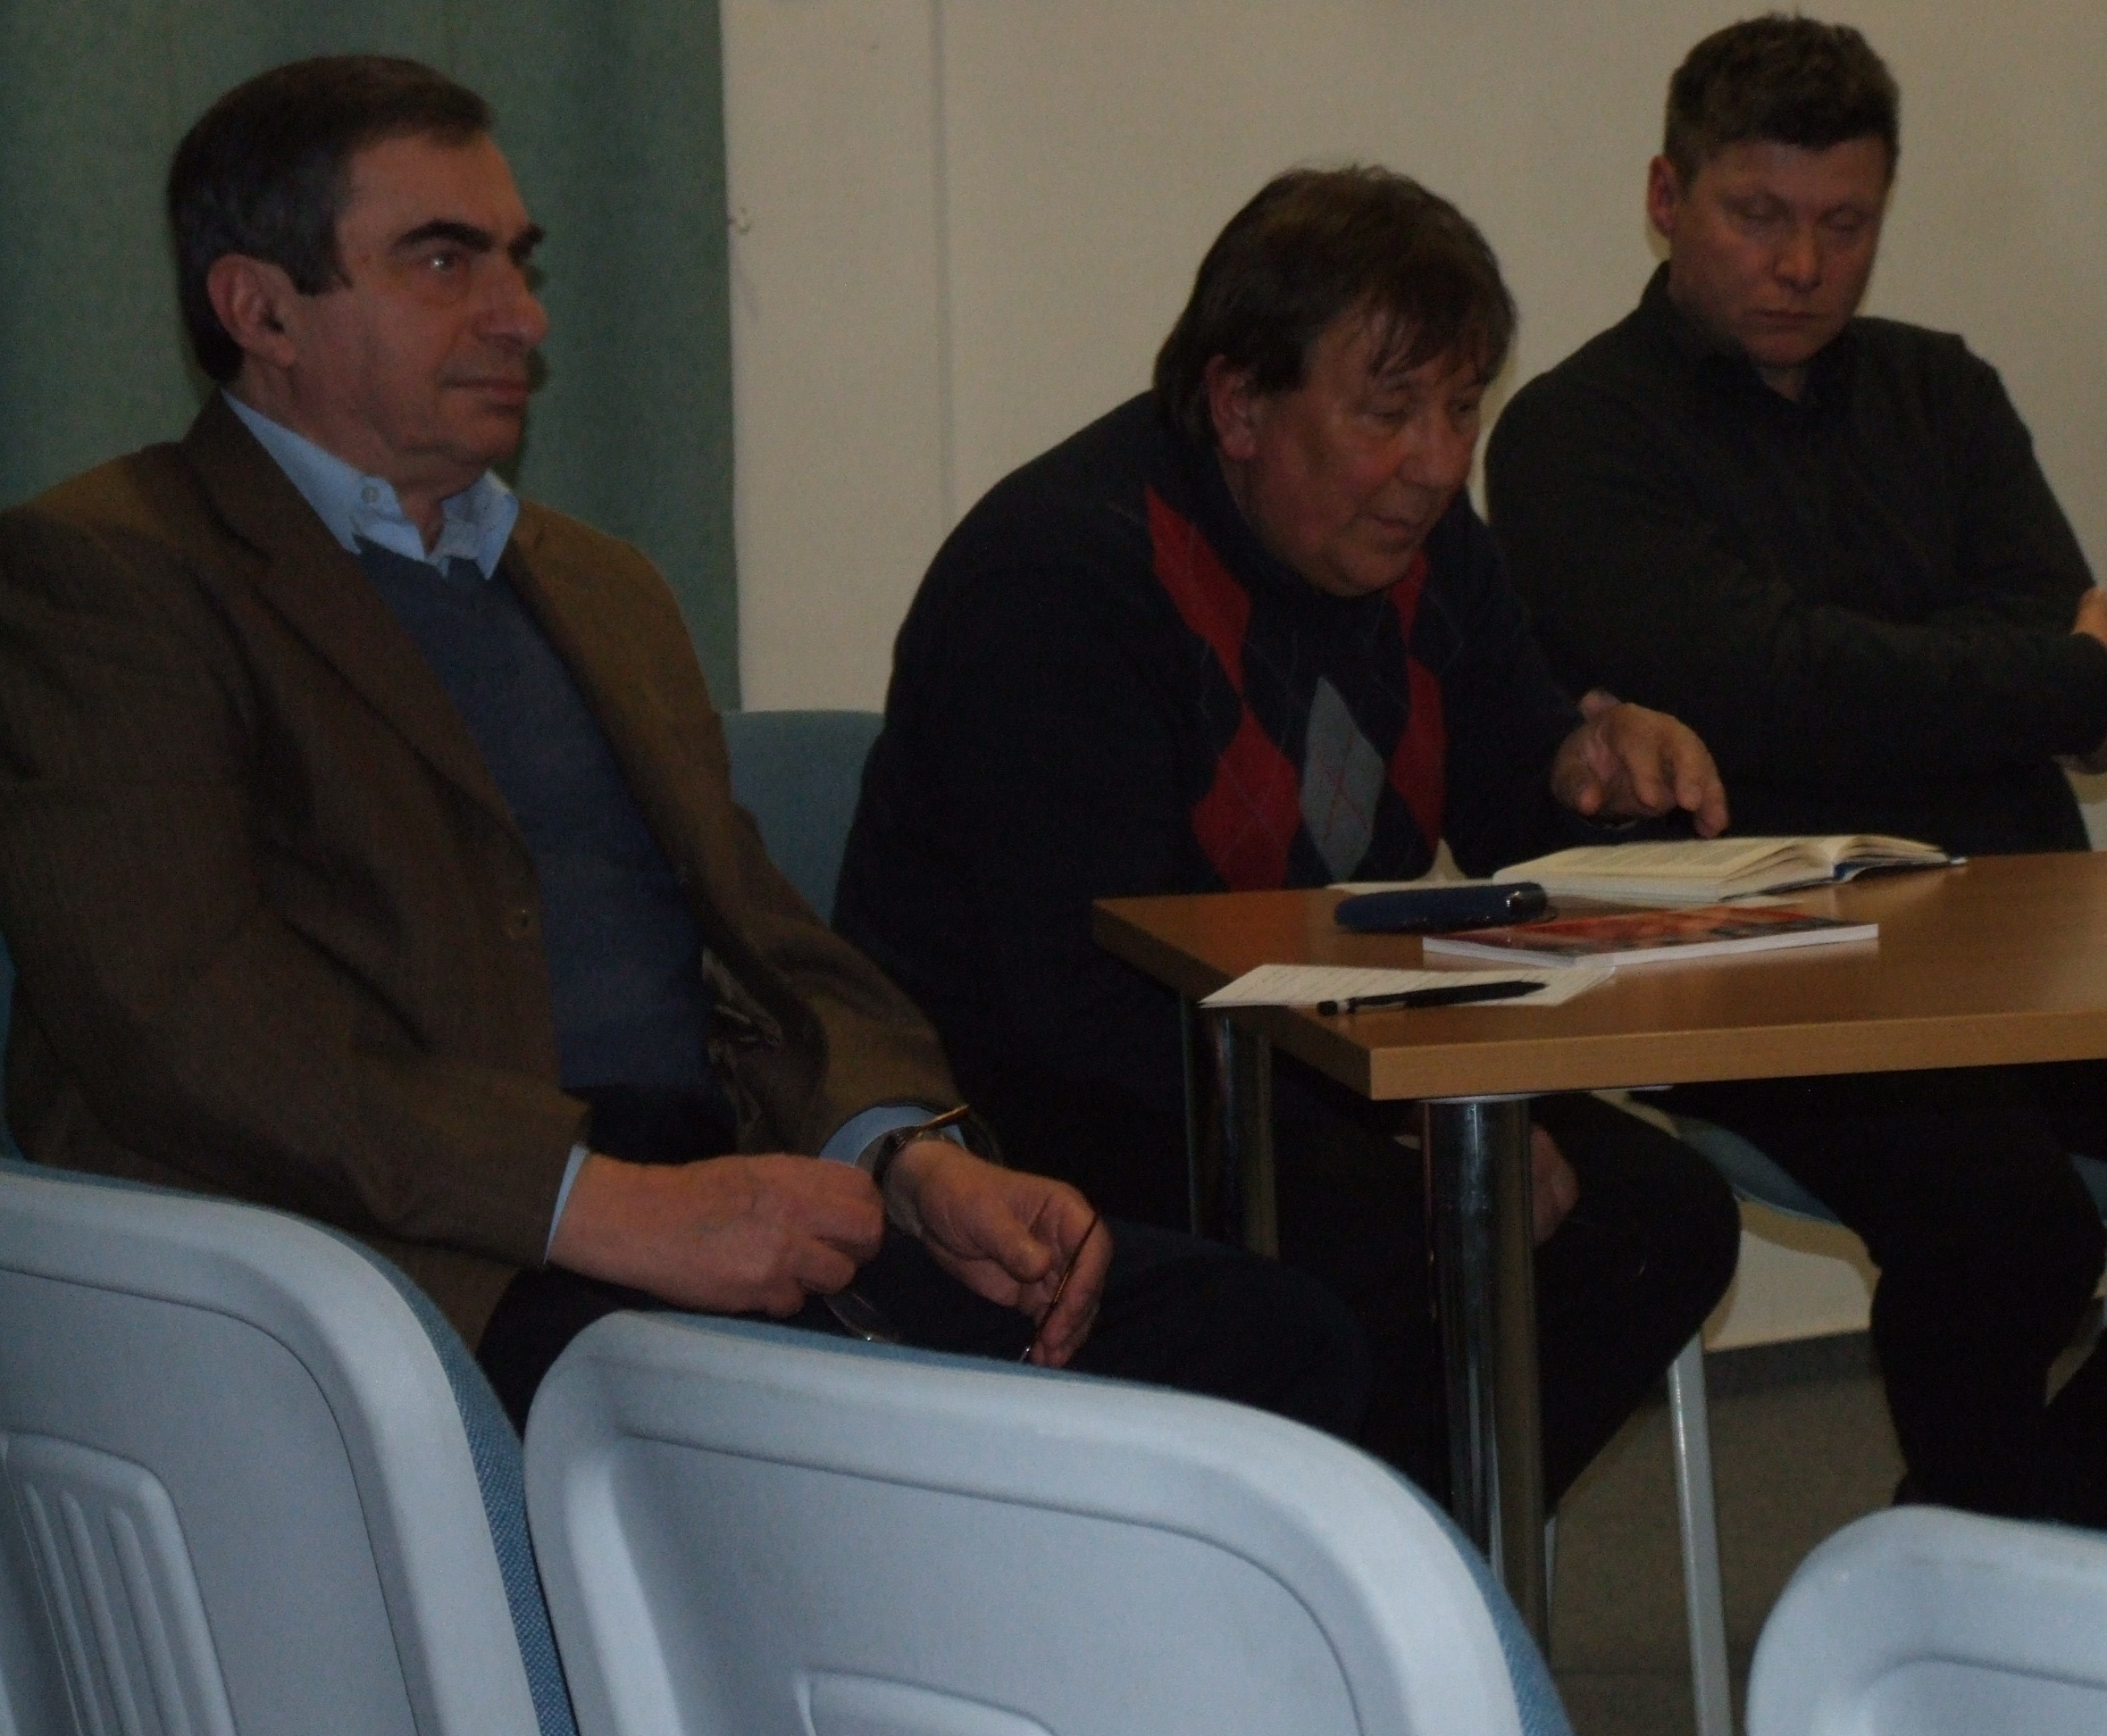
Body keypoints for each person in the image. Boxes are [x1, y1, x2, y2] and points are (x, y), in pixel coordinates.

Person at [0, 54, 1367, 1438]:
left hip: (715, 1192)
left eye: (519, 261)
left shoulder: (600, 586)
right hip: (414, 1255)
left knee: (1272, 1342)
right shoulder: (112, 573)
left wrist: (905, 1156)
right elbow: (185, 1018)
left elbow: (770, 946)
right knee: (827, 1448)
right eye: (444, 261)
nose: (521, 315)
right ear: (261, 309)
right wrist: (598, 1206)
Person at [1485, 14, 2107, 1537]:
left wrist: (1961, 683)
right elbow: (1772, 689)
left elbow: (1935, 669)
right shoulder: (1569, 434)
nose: (1803, 265)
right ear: (1666, 198)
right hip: (1763, 974)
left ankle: (2039, 1517)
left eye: (1845, 224)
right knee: (2014, 1226)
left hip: (2030, 945)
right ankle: (2013, 1556)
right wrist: (2046, 678)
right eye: (1759, 215)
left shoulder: (1945, 391)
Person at [836, 165, 1743, 1504]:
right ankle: (1347, 1573)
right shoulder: (1058, 577)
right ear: (1239, 405)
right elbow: (1081, 996)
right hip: (1032, 1111)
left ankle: (1403, 1563)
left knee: (1662, 1221)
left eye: (1461, 408)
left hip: (1290, 1060)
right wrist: (1399, 1113)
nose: (1438, 462)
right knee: (1374, 1262)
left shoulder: (1424, 545)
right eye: (1390, 410)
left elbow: (1512, 793)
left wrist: (1592, 769)